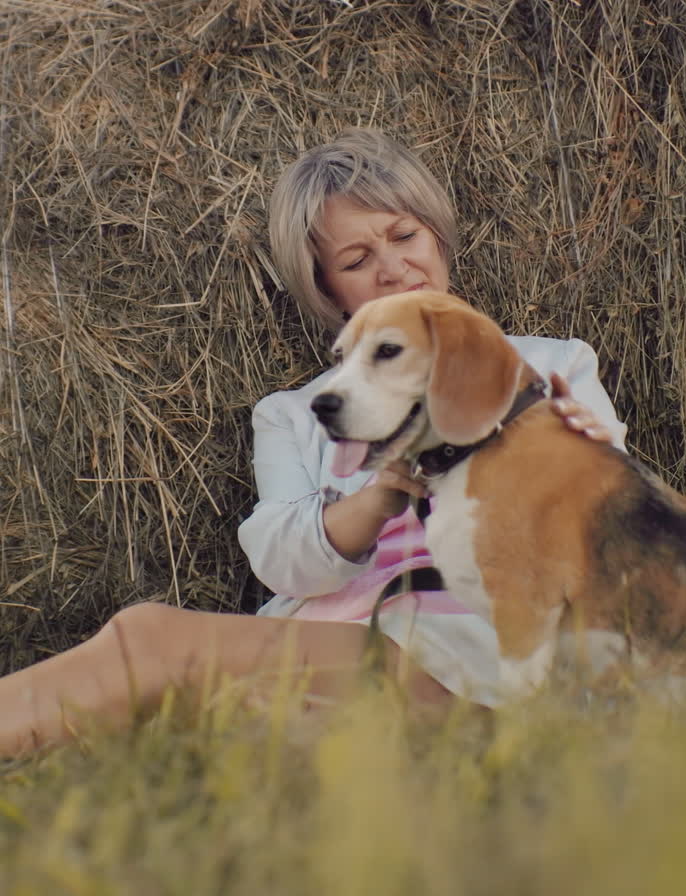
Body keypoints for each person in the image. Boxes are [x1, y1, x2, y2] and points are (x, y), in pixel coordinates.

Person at [0, 130, 626, 758]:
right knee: (235, 737)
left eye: (405, 236)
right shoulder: (296, 414)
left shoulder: (551, 365)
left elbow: (605, 519)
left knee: (150, 642)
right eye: (356, 262)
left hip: (464, 653)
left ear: (436, 233)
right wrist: (378, 498)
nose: (393, 268)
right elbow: (277, 560)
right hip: (331, 650)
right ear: (327, 289)